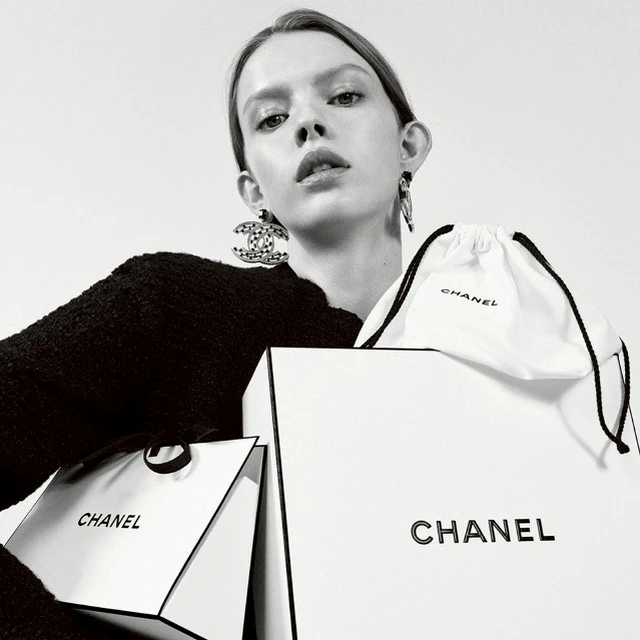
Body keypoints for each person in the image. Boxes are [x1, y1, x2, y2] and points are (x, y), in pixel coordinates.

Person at [0, 8, 430, 639]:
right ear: (253, 190)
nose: (309, 123)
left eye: (343, 96)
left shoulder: (501, 347)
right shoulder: (171, 307)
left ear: (409, 145)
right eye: (272, 119)